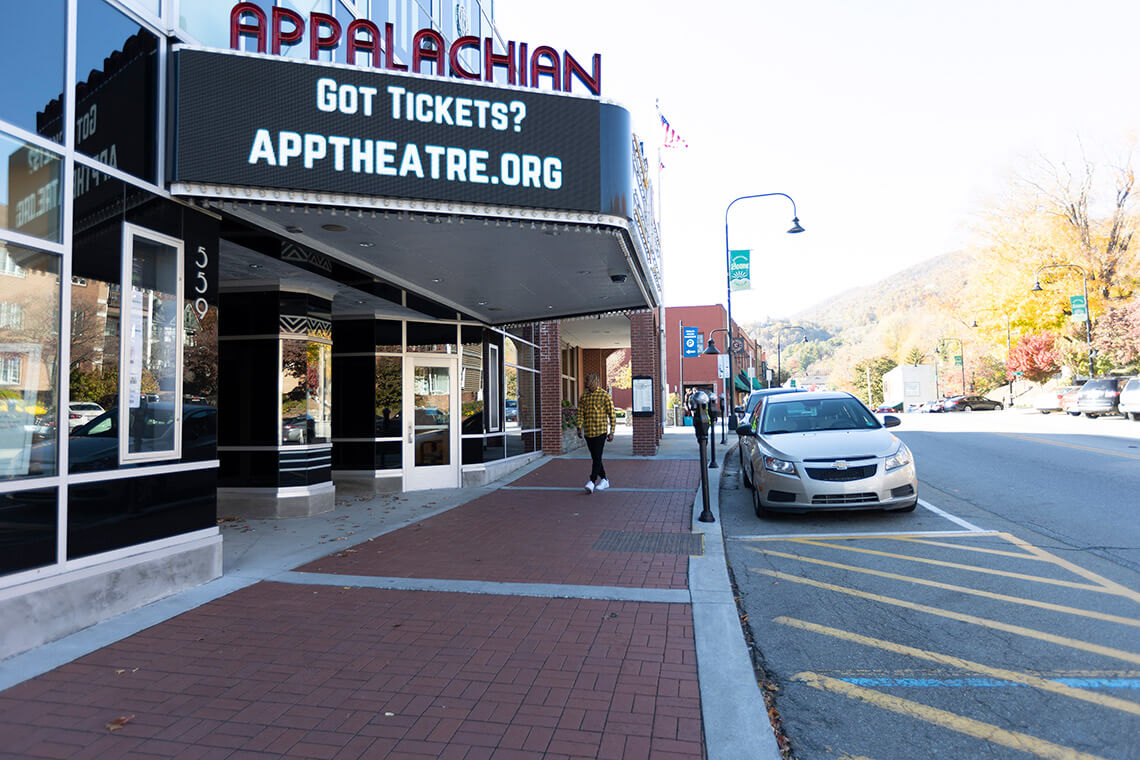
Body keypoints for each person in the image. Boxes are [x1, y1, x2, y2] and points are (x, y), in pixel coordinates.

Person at [576, 372, 616, 494]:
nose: (585, 382)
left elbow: (612, 414)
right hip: (588, 432)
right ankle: (604, 479)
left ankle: (592, 481)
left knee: (597, 457)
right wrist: (579, 427)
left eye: (587, 380)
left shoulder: (604, 396)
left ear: (594, 381)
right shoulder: (584, 397)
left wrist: (612, 432)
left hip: (600, 432)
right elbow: (580, 413)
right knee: (595, 457)